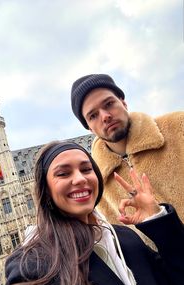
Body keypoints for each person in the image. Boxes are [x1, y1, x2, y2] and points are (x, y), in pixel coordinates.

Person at [3, 141, 184, 285]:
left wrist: (158, 219)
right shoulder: (30, 261)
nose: (80, 179)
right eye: (63, 174)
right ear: (46, 191)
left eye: (86, 169)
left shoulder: (125, 237)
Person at [71, 74, 184, 224]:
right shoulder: (98, 181)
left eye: (109, 104)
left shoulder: (178, 127)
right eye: (93, 115)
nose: (105, 116)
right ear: (89, 128)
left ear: (123, 103)